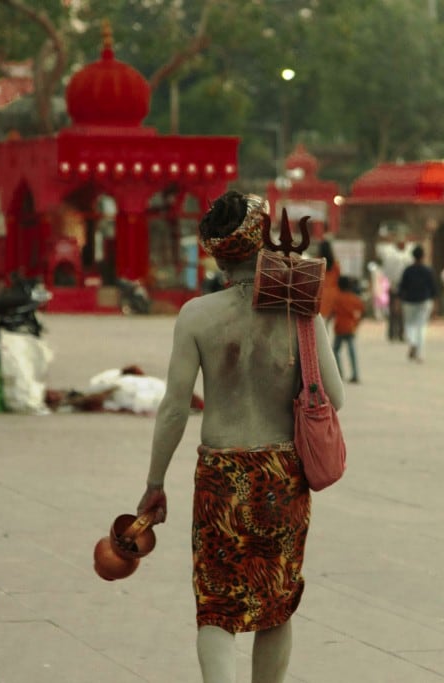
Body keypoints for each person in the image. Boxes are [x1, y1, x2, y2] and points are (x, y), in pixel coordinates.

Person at [136, 191, 344, 683]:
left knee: (216, 606)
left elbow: (174, 409)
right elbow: (333, 397)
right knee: (276, 602)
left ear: (216, 251)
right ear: (263, 240)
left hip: (221, 477)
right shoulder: (299, 308)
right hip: (282, 476)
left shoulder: (196, 315)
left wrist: (154, 482)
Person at [398, 244, 437, 362]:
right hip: (424, 300)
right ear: (423, 256)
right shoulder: (428, 270)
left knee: (409, 324)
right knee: (421, 326)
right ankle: (419, 353)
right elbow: (433, 287)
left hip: (409, 301)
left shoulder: (408, 270)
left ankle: (413, 342)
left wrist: (399, 300)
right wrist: (435, 301)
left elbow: (402, 287)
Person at [331, 275, 364, 383]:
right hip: (350, 327)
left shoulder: (337, 297)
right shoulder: (354, 298)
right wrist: (357, 323)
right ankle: (355, 374)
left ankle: (339, 373)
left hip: (339, 328)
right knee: (352, 351)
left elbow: (332, 312)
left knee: (335, 350)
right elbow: (362, 311)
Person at [380, 237, 412, 342]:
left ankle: (394, 333)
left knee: (395, 311)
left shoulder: (391, 257)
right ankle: (398, 333)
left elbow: (386, 272)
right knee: (399, 311)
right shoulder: (405, 257)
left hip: (395, 286)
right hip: (399, 287)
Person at [317, 240, 340, 324]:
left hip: (319, 293)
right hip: (332, 294)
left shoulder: (316, 262)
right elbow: (337, 279)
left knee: (319, 322)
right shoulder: (335, 264)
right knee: (328, 323)